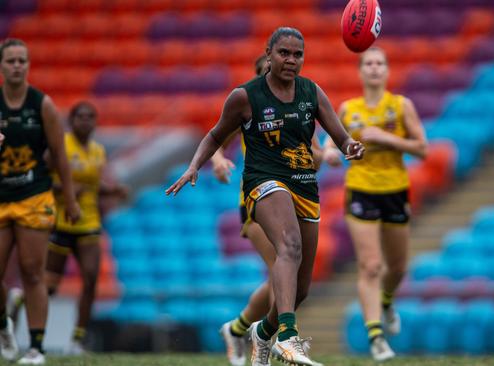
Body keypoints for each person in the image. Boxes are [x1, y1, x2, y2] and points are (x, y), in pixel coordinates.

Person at [167, 27, 364, 366]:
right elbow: (215, 136)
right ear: (269, 53)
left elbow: (340, 136)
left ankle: (261, 332)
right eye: (284, 53)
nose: (291, 60)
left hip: (304, 186)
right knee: (289, 248)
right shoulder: (245, 97)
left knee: (299, 289)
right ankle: (288, 338)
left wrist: (350, 147)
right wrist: (195, 166)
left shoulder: (311, 92)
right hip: (264, 183)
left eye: (297, 54)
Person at [212, 55, 324, 366]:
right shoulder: (251, 105)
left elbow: (314, 157)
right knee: (284, 260)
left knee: (289, 277)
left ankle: (241, 329)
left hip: (291, 195)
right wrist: (219, 160)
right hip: (259, 199)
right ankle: (281, 340)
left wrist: (320, 154)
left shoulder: (298, 110)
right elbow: (219, 139)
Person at [323, 47, 427, 362]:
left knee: (397, 267)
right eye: (368, 63)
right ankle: (376, 336)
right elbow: (331, 143)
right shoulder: (348, 109)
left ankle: (386, 301)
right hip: (361, 189)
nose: (374, 68)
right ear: (360, 71)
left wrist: (385, 138)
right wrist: (330, 153)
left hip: (395, 189)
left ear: (387, 70)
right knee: (371, 265)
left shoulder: (400, 105)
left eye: (380, 63)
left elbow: (421, 148)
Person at [8, 101, 129, 355]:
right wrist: (67, 191)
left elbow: (93, 185)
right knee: (48, 286)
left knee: (91, 279)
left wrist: (113, 190)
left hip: (88, 222)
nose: (85, 122)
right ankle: (18, 303)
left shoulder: (97, 151)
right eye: (80, 117)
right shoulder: (60, 147)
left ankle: (78, 339)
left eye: (90, 117)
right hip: (60, 222)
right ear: (71, 121)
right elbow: (40, 180)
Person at [0, 38, 80, 364]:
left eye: (22, 60)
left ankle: (36, 347)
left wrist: (71, 200)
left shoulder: (42, 105)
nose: (17, 66)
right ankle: (4, 325)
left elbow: (60, 155)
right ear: (2, 66)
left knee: (33, 272)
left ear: (28, 65)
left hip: (34, 195)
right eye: (11, 61)